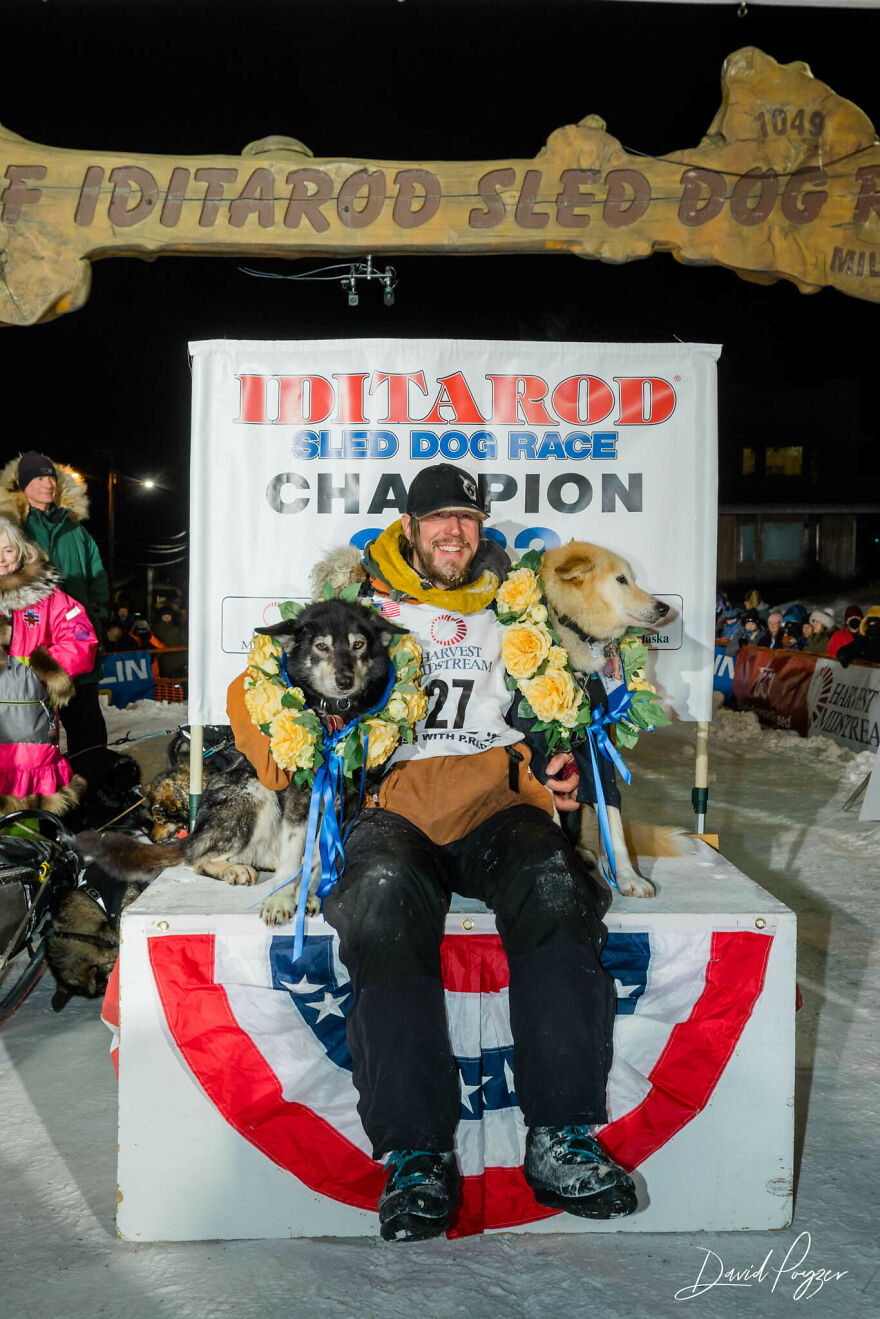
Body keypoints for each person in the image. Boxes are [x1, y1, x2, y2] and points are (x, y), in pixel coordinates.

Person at [229, 462, 637, 1242]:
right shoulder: (360, 595)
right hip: (394, 806)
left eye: (469, 518)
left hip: (495, 802)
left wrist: (562, 759)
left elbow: (575, 692)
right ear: (411, 525)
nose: (456, 530)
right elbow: (254, 690)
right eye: (439, 517)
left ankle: (562, 1135)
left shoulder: (520, 600)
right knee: (379, 898)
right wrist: (295, 744)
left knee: (556, 884)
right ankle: (416, 1153)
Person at [0, 451, 109, 772]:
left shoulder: (75, 529)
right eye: (38, 478)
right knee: (29, 738)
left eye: (51, 477)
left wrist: (97, 619)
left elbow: (97, 577)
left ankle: (92, 795)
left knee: (88, 729)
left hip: (71, 642)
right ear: (21, 485)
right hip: (27, 648)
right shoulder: (12, 524)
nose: (47, 483)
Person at [0, 514, 97, 810]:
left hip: (31, 723)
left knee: (29, 797)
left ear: (21, 551)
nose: (2, 559)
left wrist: (41, 669)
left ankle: (31, 853)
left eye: (8, 550)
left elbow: (81, 639)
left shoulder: (47, 599)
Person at [152, 605, 188, 677]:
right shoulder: (155, 629)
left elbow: (185, 644)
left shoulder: (178, 628)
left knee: (177, 685)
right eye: (164, 614)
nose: (166, 616)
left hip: (177, 663)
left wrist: (186, 662)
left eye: (169, 614)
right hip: (161, 663)